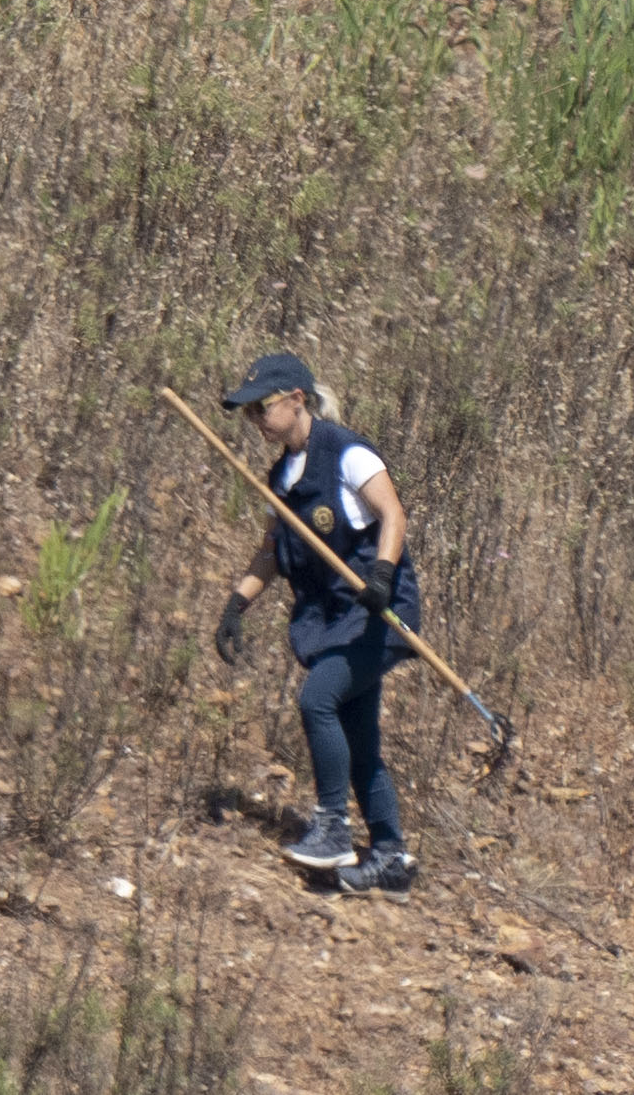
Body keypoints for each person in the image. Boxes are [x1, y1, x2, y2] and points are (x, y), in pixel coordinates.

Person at [212, 352, 420, 894]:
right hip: (331, 622)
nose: (254, 421)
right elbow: (270, 554)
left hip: (377, 613)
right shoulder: (280, 476)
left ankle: (332, 828)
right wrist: (236, 606)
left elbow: (393, 514)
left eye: (261, 408)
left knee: (317, 700)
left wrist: (379, 574)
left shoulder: (347, 453)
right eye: (248, 413)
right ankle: (391, 857)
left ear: (296, 400)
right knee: (359, 736)